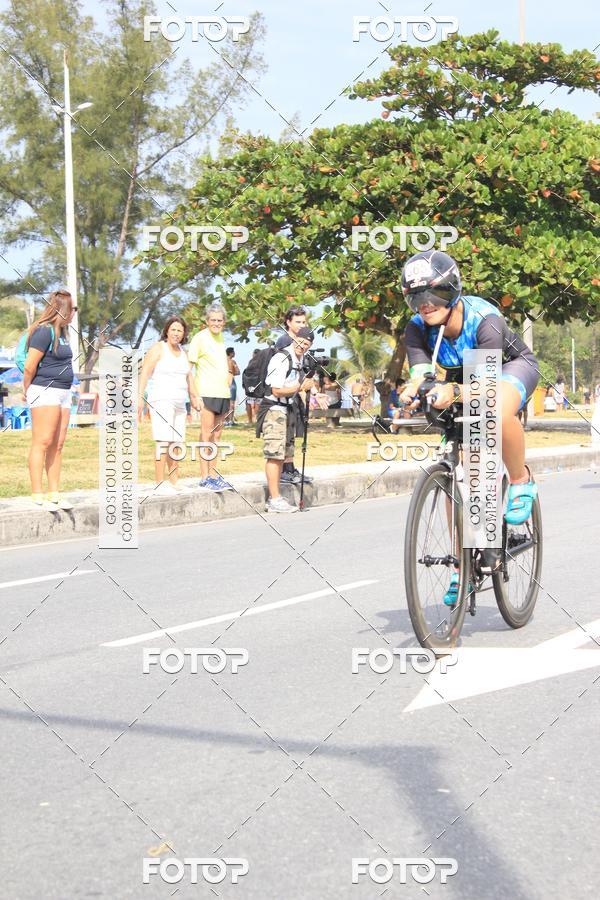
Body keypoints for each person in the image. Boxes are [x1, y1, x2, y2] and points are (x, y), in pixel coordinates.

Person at [399, 249, 540, 605]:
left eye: (432, 295)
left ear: (452, 291)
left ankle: (522, 482)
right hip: (465, 375)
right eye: (416, 297)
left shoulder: (484, 321)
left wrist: (455, 391)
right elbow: (421, 373)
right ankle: (463, 564)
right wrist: (414, 391)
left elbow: (488, 385)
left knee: (493, 410)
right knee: (468, 472)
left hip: (508, 368)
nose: (425, 305)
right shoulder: (415, 330)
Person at [22, 289, 76, 511]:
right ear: (62, 309)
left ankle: (54, 493)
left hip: (63, 392)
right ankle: (37, 493)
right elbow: (29, 365)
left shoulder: (63, 333)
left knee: (58, 444)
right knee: (42, 441)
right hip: (45, 390)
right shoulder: (44, 332)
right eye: (72, 308)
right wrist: (28, 390)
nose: (74, 312)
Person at [138, 316, 199, 494]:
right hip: (161, 399)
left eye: (179, 330)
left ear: (184, 334)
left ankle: (174, 480)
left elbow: (189, 377)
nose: (176, 333)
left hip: (180, 401)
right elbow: (144, 374)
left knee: (177, 442)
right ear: (167, 330)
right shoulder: (158, 349)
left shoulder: (183, 352)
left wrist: (195, 397)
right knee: (163, 441)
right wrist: (140, 398)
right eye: (173, 329)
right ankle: (159, 482)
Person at [256, 326, 315, 513]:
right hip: (274, 409)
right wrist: (300, 387)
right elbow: (276, 390)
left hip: (288, 409)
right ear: (294, 338)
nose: (302, 345)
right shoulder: (281, 358)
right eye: (300, 341)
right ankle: (274, 500)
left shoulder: (301, 360)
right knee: (274, 455)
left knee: (284, 455)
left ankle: (277, 497)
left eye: (306, 344)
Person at [188, 303, 234, 492]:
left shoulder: (222, 338)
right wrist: (193, 394)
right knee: (206, 435)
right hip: (205, 393)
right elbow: (188, 369)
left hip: (222, 394)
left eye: (219, 320)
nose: (216, 323)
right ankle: (204, 477)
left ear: (224, 322)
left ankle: (214, 475)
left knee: (216, 435)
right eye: (213, 320)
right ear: (207, 321)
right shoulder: (199, 338)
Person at [273, 305, 314, 485]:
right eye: (297, 322)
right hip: (282, 396)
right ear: (288, 323)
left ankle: (290, 468)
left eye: (304, 322)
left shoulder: (302, 341)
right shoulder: (284, 342)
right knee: (284, 435)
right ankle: (284, 470)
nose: (301, 325)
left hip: (295, 395)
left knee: (292, 434)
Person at [245, 350, 261, 424]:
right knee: (257, 401)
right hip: (258, 385)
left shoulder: (250, 362)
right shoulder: (261, 362)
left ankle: (250, 420)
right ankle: (256, 418)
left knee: (249, 402)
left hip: (249, 385)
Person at [226, 346, 240, 426]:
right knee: (231, 403)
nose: (234, 354)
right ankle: (231, 421)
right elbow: (238, 372)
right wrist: (232, 372)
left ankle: (226, 420)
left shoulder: (222, 361)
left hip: (223, 382)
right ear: (231, 353)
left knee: (225, 403)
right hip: (231, 381)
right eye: (234, 352)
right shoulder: (233, 361)